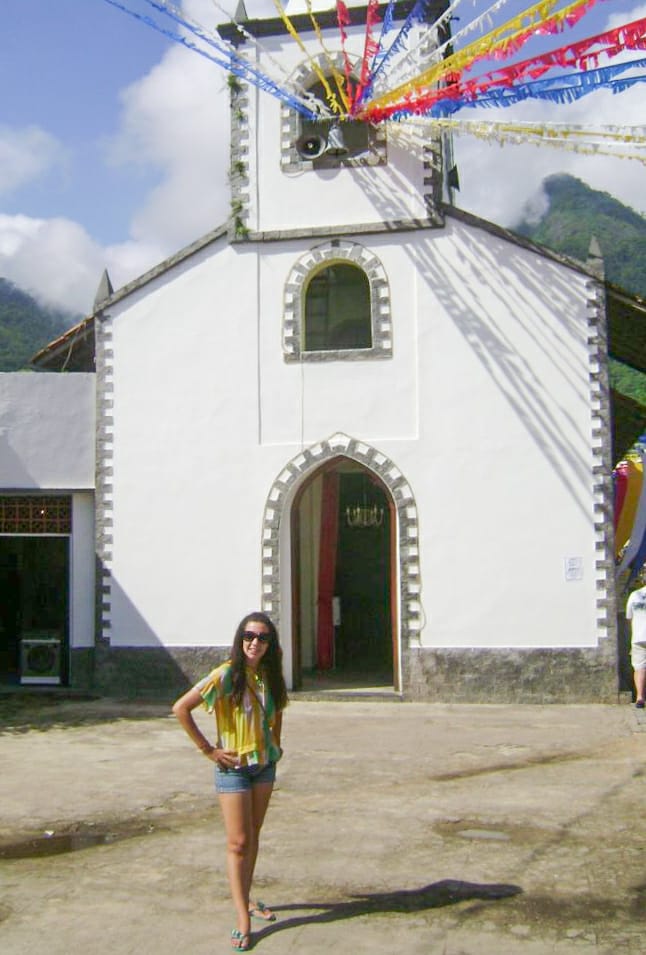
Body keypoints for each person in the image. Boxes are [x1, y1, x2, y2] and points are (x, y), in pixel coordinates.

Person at [172, 611, 288, 952]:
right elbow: (181, 708)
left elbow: (277, 710)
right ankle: (242, 916)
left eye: (263, 638)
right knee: (238, 842)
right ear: (240, 640)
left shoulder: (270, 677)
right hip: (233, 768)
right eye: (249, 636)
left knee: (252, 837)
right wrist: (209, 750)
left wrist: (276, 744)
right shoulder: (226, 675)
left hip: (263, 767)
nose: (255, 643)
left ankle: (248, 898)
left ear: (271, 644)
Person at [626, 579, 646, 709]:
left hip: (638, 637)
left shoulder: (634, 595)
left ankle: (639, 697)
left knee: (639, 667)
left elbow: (629, 618)